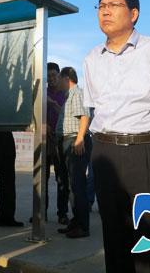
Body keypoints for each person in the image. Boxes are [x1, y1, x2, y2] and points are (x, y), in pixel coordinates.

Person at [83, 0, 150, 272]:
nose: (105, 11)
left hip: (147, 152)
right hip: (105, 153)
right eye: (101, 6)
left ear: (133, 14)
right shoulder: (92, 58)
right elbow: (95, 109)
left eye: (113, 5)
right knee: (114, 238)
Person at [55, 66, 92, 238]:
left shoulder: (77, 93)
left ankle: (82, 226)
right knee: (71, 185)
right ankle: (76, 222)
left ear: (66, 79)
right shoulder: (68, 96)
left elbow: (85, 116)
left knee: (77, 185)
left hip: (75, 141)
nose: (56, 83)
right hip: (68, 141)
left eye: (58, 79)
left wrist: (80, 139)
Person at [45, 62, 70, 224]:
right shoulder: (42, 93)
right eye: (48, 76)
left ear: (59, 75)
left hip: (61, 139)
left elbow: (67, 115)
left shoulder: (65, 94)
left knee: (62, 178)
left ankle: (62, 213)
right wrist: (44, 125)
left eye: (54, 75)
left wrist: (53, 103)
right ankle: (41, 212)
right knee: (42, 178)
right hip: (44, 140)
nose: (52, 78)